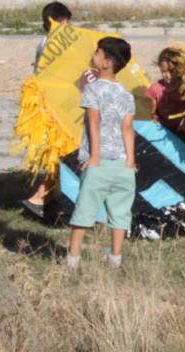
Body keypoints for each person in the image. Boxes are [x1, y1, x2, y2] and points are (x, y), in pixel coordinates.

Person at [65, 37, 137, 270]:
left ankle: (72, 261)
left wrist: (94, 156)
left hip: (100, 162)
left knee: (83, 213)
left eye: (97, 53)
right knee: (120, 214)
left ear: (107, 62)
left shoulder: (93, 89)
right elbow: (128, 128)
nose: (93, 56)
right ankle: (115, 259)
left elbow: (93, 123)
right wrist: (131, 160)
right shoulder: (126, 94)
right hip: (123, 164)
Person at [23, 1, 73, 219]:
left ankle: (48, 197)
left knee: (59, 155)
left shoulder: (42, 42)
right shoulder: (57, 43)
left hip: (48, 105)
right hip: (59, 108)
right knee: (65, 153)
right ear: (62, 21)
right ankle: (40, 198)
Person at [146, 47, 185, 140]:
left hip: (182, 131)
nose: (168, 75)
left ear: (179, 69)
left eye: (172, 71)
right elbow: (153, 112)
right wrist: (155, 117)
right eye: (164, 72)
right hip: (163, 130)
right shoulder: (155, 88)